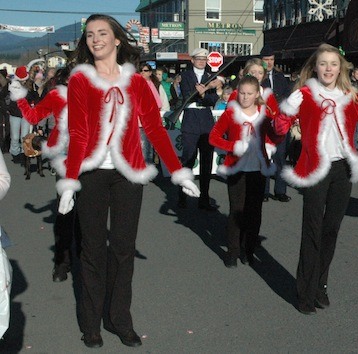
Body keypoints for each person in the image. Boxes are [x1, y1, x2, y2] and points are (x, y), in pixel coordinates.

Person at [57, 14, 200, 348]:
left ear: (117, 40)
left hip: (129, 174)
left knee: (122, 250)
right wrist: (70, 180)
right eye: (90, 35)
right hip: (92, 174)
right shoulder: (80, 80)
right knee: (92, 251)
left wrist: (177, 171)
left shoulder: (137, 83)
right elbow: (77, 133)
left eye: (102, 33)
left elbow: (154, 129)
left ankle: (119, 318)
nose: (95, 39)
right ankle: (91, 324)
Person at [273, 43, 358, 315]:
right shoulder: (304, 94)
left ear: (340, 68)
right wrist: (286, 112)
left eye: (333, 64)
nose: (328, 69)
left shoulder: (350, 95)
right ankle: (305, 291)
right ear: (315, 67)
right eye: (323, 63)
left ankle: (321, 285)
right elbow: (279, 130)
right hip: (315, 169)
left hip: (342, 170)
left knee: (331, 230)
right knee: (312, 230)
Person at [9, 66, 82, 282]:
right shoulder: (56, 96)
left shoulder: (91, 95)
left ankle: (85, 260)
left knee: (87, 211)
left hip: (88, 156)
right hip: (65, 156)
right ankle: (62, 262)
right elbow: (32, 116)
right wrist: (20, 97)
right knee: (64, 212)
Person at [209, 75, 282, 267]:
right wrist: (232, 145)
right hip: (236, 168)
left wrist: (273, 142)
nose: (245, 97)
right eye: (241, 93)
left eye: (250, 94)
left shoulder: (264, 115)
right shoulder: (230, 113)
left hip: (258, 168)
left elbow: (277, 135)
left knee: (254, 211)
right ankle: (232, 251)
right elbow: (214, 137)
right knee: (236, 211)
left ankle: (248, 249)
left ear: (257, 94)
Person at [178, 48, 223, 210]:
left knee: (206, 162)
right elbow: (186, 94)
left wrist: (204, 95)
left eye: (204, 59)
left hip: (205, 122)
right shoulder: (185, 76)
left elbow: (213, 99)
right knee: (188, 160)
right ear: (192, 60)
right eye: (199, 59)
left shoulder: (211, 77)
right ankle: (182, 195)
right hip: (190, 121)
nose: (202, 61)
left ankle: (204, 197)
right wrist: (203, 93)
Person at [260, 45, 292, 202]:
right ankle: (264, 191)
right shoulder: (258, 77)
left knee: (280, 157)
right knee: (265, 156)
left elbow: (287, 95)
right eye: (266, 60)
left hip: (279, 122)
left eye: (271, 59)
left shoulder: (281, 77)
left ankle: (280, 190)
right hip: (264, 122)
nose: (269, 62)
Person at [3, 66, 33, 164]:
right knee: (15, 136)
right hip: (14, 114)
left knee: (24, 136)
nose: (24, 81)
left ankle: (25, 154)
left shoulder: (29, 86)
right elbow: (3, 96)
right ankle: (15, 153)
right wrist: (7, 108)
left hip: (26, 115)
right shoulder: (11, 85)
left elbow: (34, 97)